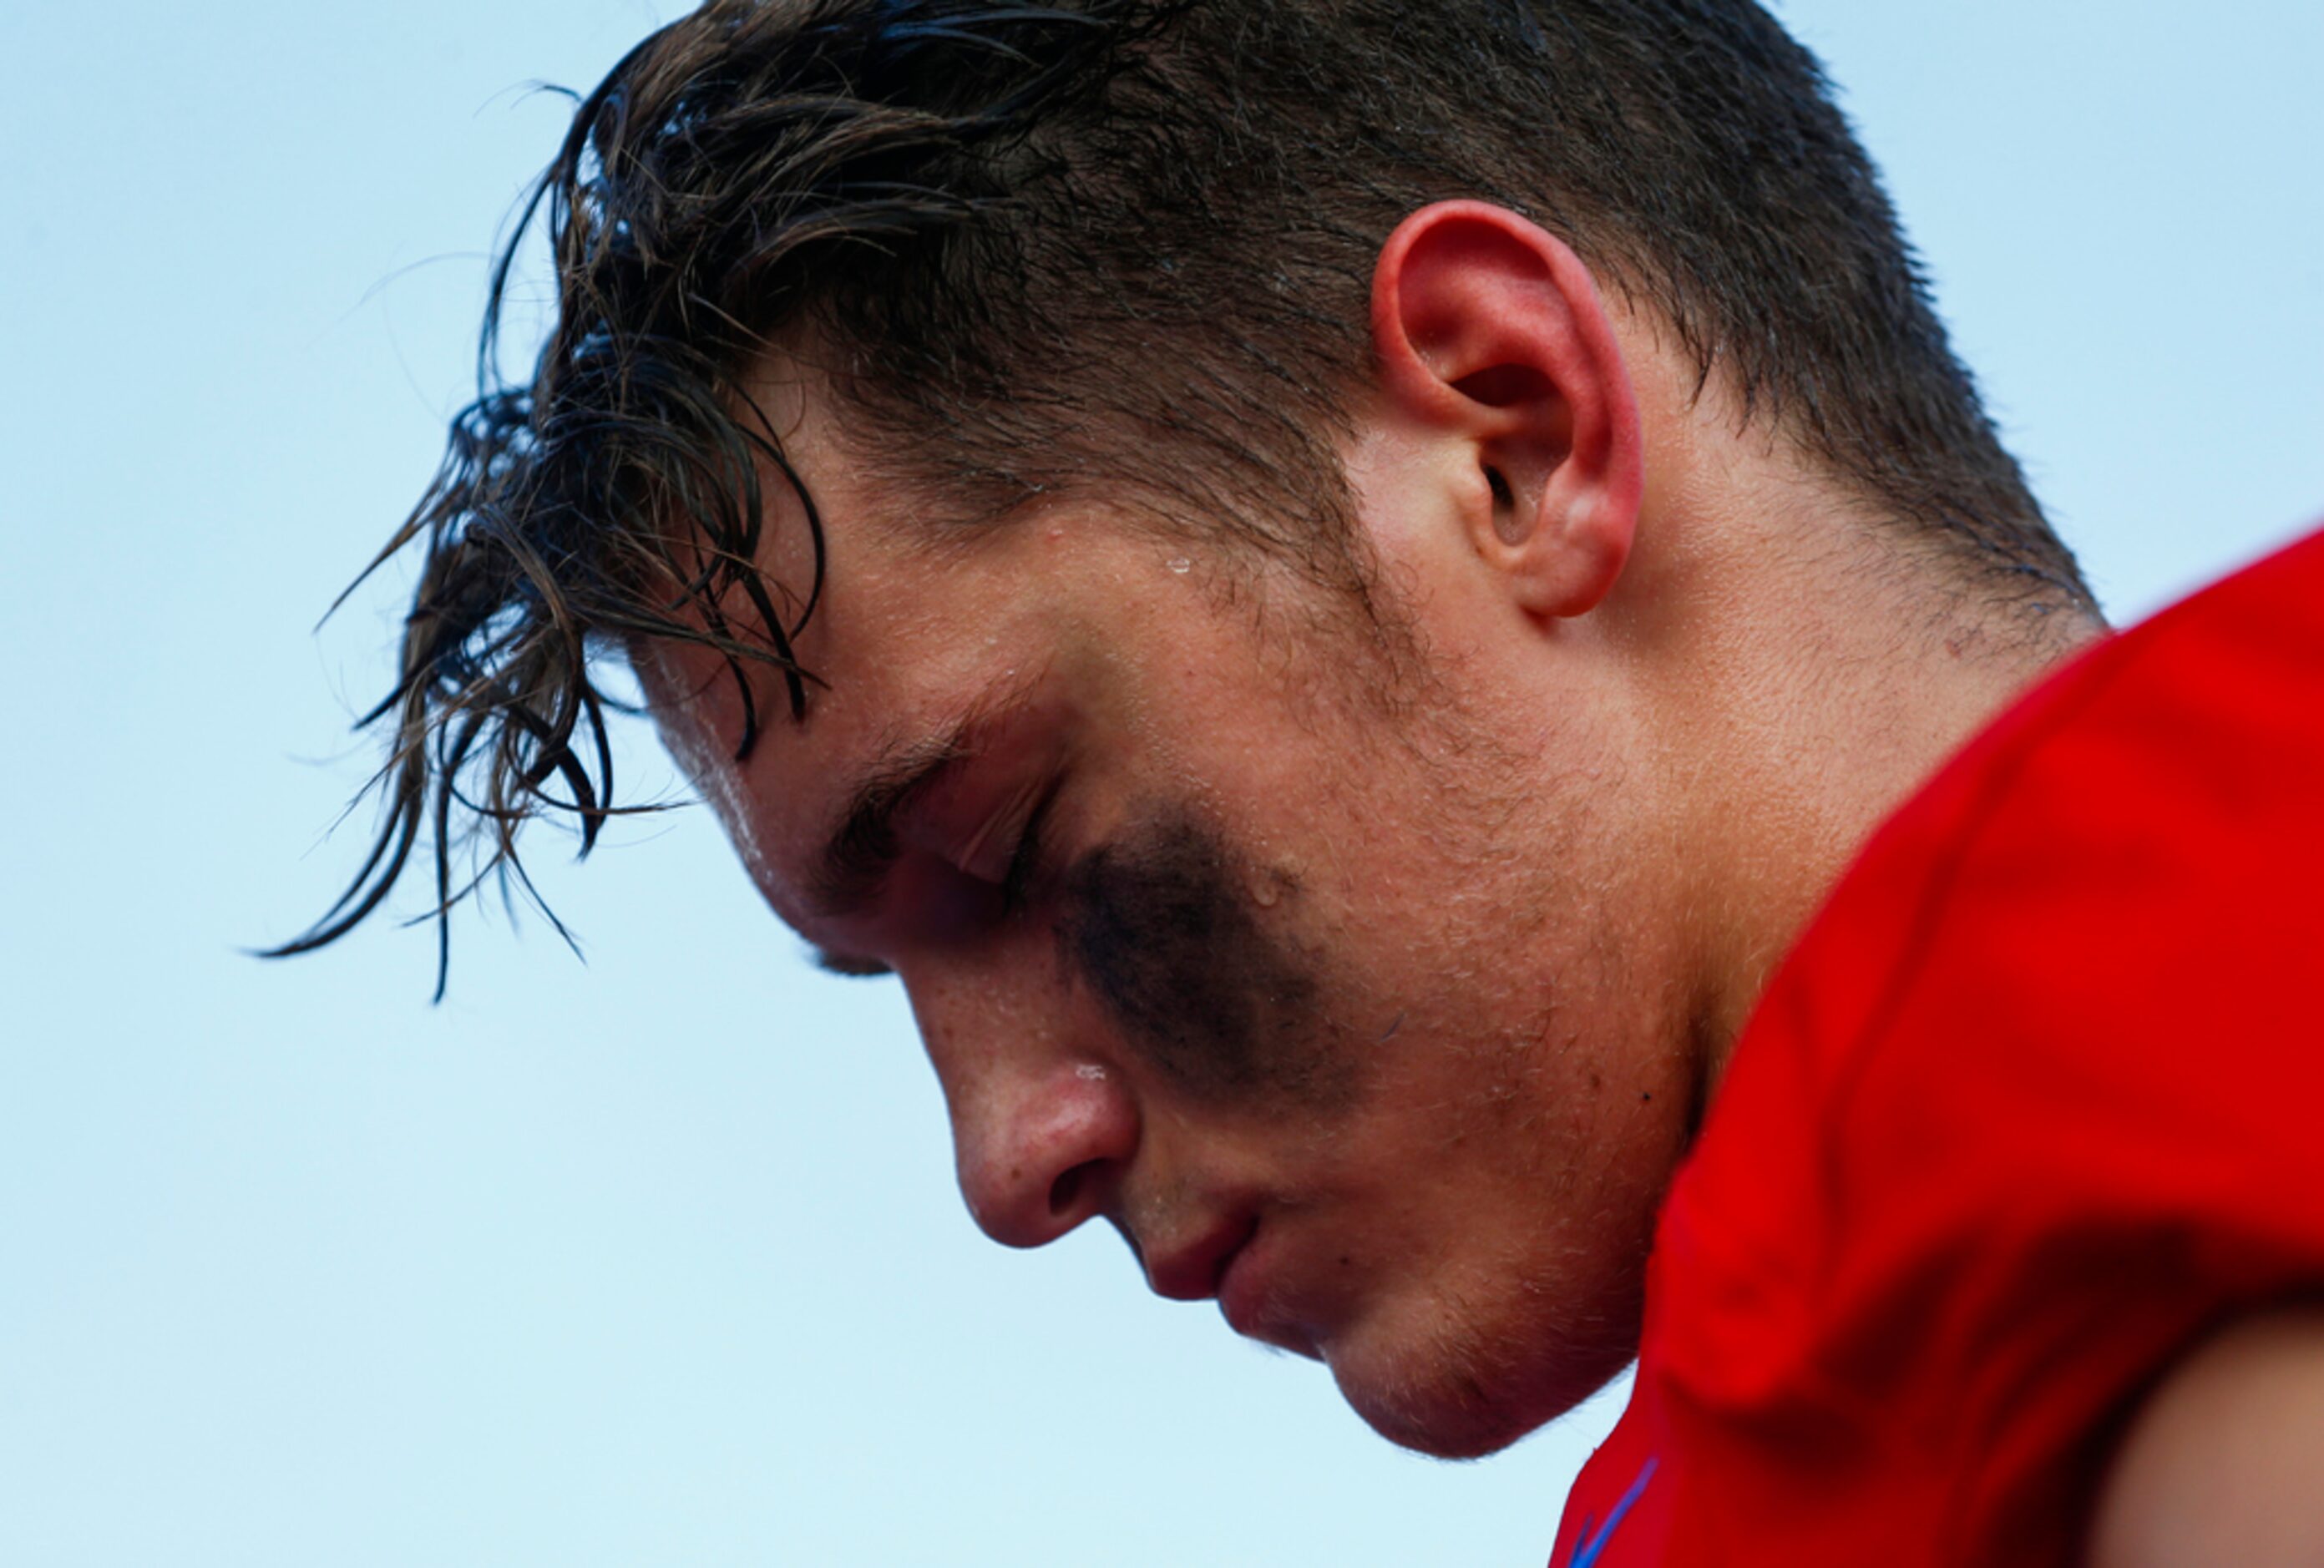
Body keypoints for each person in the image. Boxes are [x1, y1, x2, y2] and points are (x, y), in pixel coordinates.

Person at [276, 1, 2324, 1560]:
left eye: (1001, 844)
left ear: (1512, 437)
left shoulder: (2114, 1092)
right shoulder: (1838, 1380)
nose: (1006, 1164)